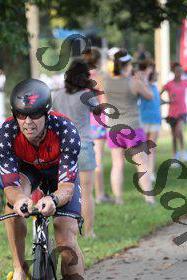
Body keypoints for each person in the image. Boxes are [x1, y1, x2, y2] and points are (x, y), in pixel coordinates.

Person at [0, 78, 86, 280]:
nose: (27, 121)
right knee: (12, 208)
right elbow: (11, 186)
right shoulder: (6, 134)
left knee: (66, 237)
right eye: (21, 115)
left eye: (34, 115)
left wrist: (53, 199)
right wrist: (21, 200)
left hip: (59, 176)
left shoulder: (66, 131)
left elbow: (67, 187)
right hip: (28, 173)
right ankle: (19, 268)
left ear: (47, 113)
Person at [53, 58, 98, 237]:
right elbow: (98, 111)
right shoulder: (87, 95)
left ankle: (67, 232)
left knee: (65, 191)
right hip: (84, 145)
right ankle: (89, 232)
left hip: (63, 148)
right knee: (86, 193)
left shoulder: (57, 95)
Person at [104, 49, 154, 205]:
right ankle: (149, 199)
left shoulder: (106, 82)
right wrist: (142, 79)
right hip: (132, 127)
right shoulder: (133, 82)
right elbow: (150, 96)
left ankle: (118, 199)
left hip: (113, 128)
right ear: (128, 64)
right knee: (142, 163)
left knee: (117, 164)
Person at [81, 46, 114, 204]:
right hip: (97, 120)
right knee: (98, 158)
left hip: (82, 120)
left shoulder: (79, 78)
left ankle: (85, 194)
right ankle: (99, 194)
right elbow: (104, 100)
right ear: (98, 60)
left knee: (83, 158)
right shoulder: (99, 77)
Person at [161, 62, 187, 163]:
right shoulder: (169, 84)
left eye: (181, 71)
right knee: (174, 136)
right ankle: (175, 155)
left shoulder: (185, 82)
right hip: (172, 113)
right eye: (177, 71)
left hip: (182, 111)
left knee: (179, 130)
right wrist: (167, 101)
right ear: (173, 72)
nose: (179, 73)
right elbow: (158, 94)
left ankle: (183, 151)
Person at [138, 59, 162, 183]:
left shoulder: (155, 87)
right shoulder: (142, 85)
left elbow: (156, 103)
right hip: (143, 119)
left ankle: (151, 173)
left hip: (155, 120)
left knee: (151, 148)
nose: (156, 73)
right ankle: (145, 171)